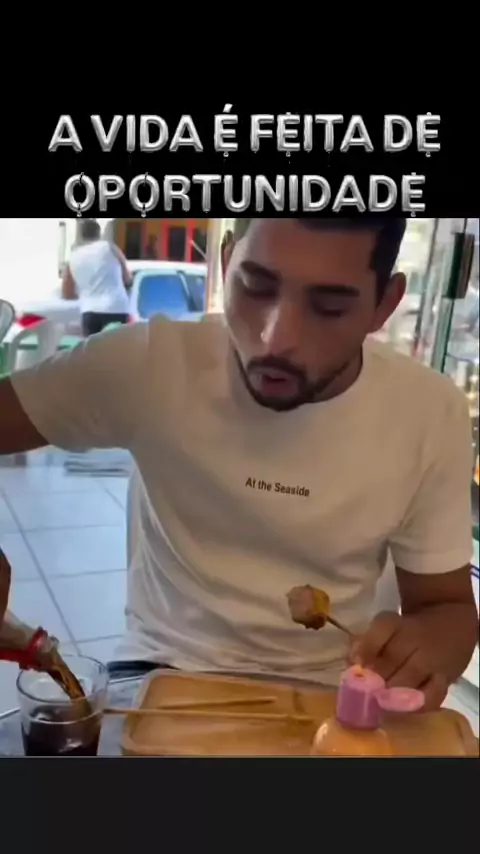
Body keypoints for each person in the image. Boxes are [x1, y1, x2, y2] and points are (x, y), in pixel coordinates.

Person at [0, 218, 477, 709]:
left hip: (337, 688)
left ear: (385, 304)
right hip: (167, 668)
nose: (275, 340)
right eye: (254, 287)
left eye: (329, 307)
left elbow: (447, 609)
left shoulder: (427, 412)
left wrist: (429, 647)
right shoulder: (151, 364)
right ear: (227, 263)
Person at [62, 219, 132, 337]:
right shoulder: (109, 247)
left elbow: (67, 293)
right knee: (117, 346)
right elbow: (127, 278)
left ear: (81, 235)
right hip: (116, 307)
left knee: (92, 348)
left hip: (89, 311)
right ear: (98, 233)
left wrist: (86, 294)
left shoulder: (73, 257)